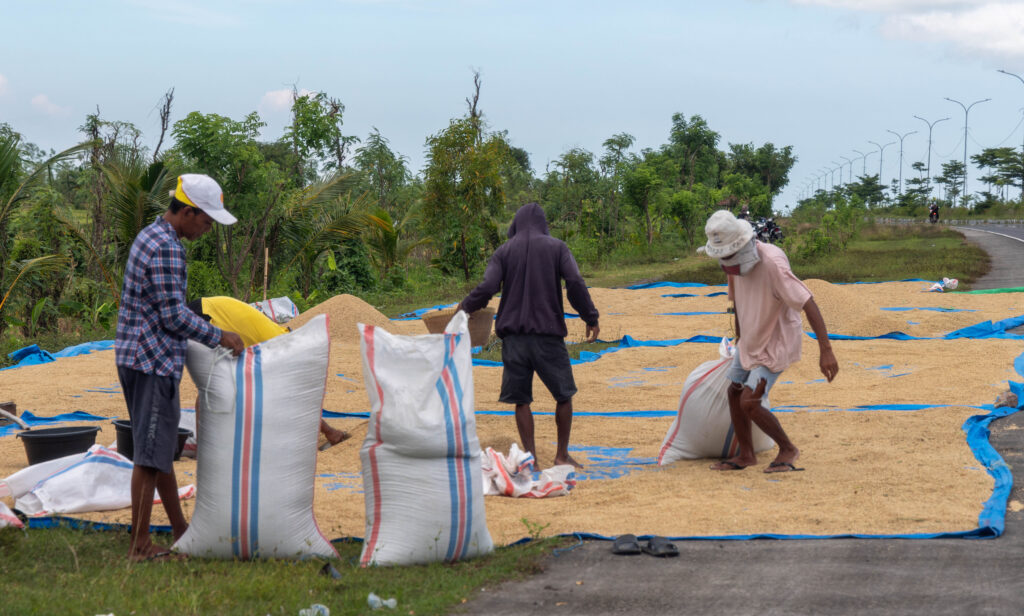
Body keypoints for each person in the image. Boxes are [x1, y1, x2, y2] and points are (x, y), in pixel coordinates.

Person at [115, 174, 245, 562]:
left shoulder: (149, 235)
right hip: (152, 360)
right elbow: (172, 316)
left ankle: (179, 528)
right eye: (206, 222)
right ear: (188, 212)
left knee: (158, 451)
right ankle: (139, 546)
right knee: (148, 457)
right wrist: (219, 335)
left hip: (135, 354)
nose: (207, 230)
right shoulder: (169, 249)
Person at [458, 202, 600, 469]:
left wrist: (465, 306)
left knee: (521, 400)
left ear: (517, 224)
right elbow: (575, 283)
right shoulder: (557, 248)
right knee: (564, 396)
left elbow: (488, 286)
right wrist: (590, 316)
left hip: (513, 341)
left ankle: (531, 458)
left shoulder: (503, 251)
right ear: (543, 224)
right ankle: (561, 455)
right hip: (548, 338)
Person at [699, 210, 838, 473]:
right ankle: (746, 454)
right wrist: (740, 338)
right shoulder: (734, 263)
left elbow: (808, 302)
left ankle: (788, 449)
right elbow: (738, 300)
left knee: (750, 401)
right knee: (734, 391)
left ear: (741, 245)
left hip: (777, 339)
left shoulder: (772, 263)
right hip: (750, 338)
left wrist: (826, 351)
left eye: (729, 256)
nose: (726, 262)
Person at [186, 296, 350, 448]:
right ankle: (204, 446)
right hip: (208, 315)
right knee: (213, 384)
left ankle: (207, 443)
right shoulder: (280, 350)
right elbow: (295, 400)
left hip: (210, 310)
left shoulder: (281, 336)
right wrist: (329, 431)